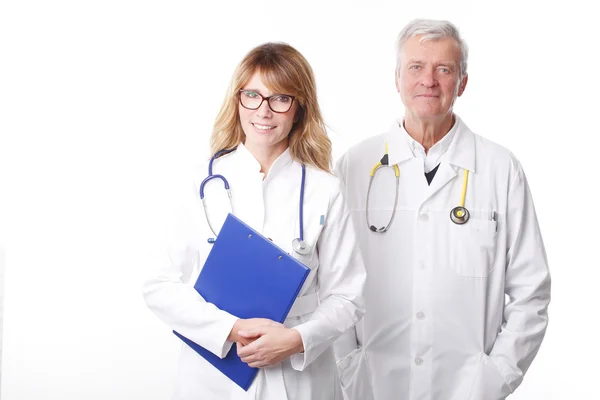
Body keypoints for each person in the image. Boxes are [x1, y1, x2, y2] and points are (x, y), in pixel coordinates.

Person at [333, 19, 551, 400]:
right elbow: (330, 282)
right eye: (416, 67)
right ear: (397, 78)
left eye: (444, 69)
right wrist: (347, 367)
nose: (428, 80)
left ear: (462, 83)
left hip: (466, 388)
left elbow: (531, 291)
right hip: (373, 385)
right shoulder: (355, 165)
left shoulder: (500, 169)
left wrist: (495, 376)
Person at [142, 42, 365, 400]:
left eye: (280, 98)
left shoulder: (327, 190)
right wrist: (229, 328)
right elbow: (159, 284)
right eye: (253, 96)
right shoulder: (198, 183)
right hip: (213, 377)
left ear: (299, 108)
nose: (264, 110)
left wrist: (296, 340)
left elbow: (349, 295)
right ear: (237, 100)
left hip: (300, 378)